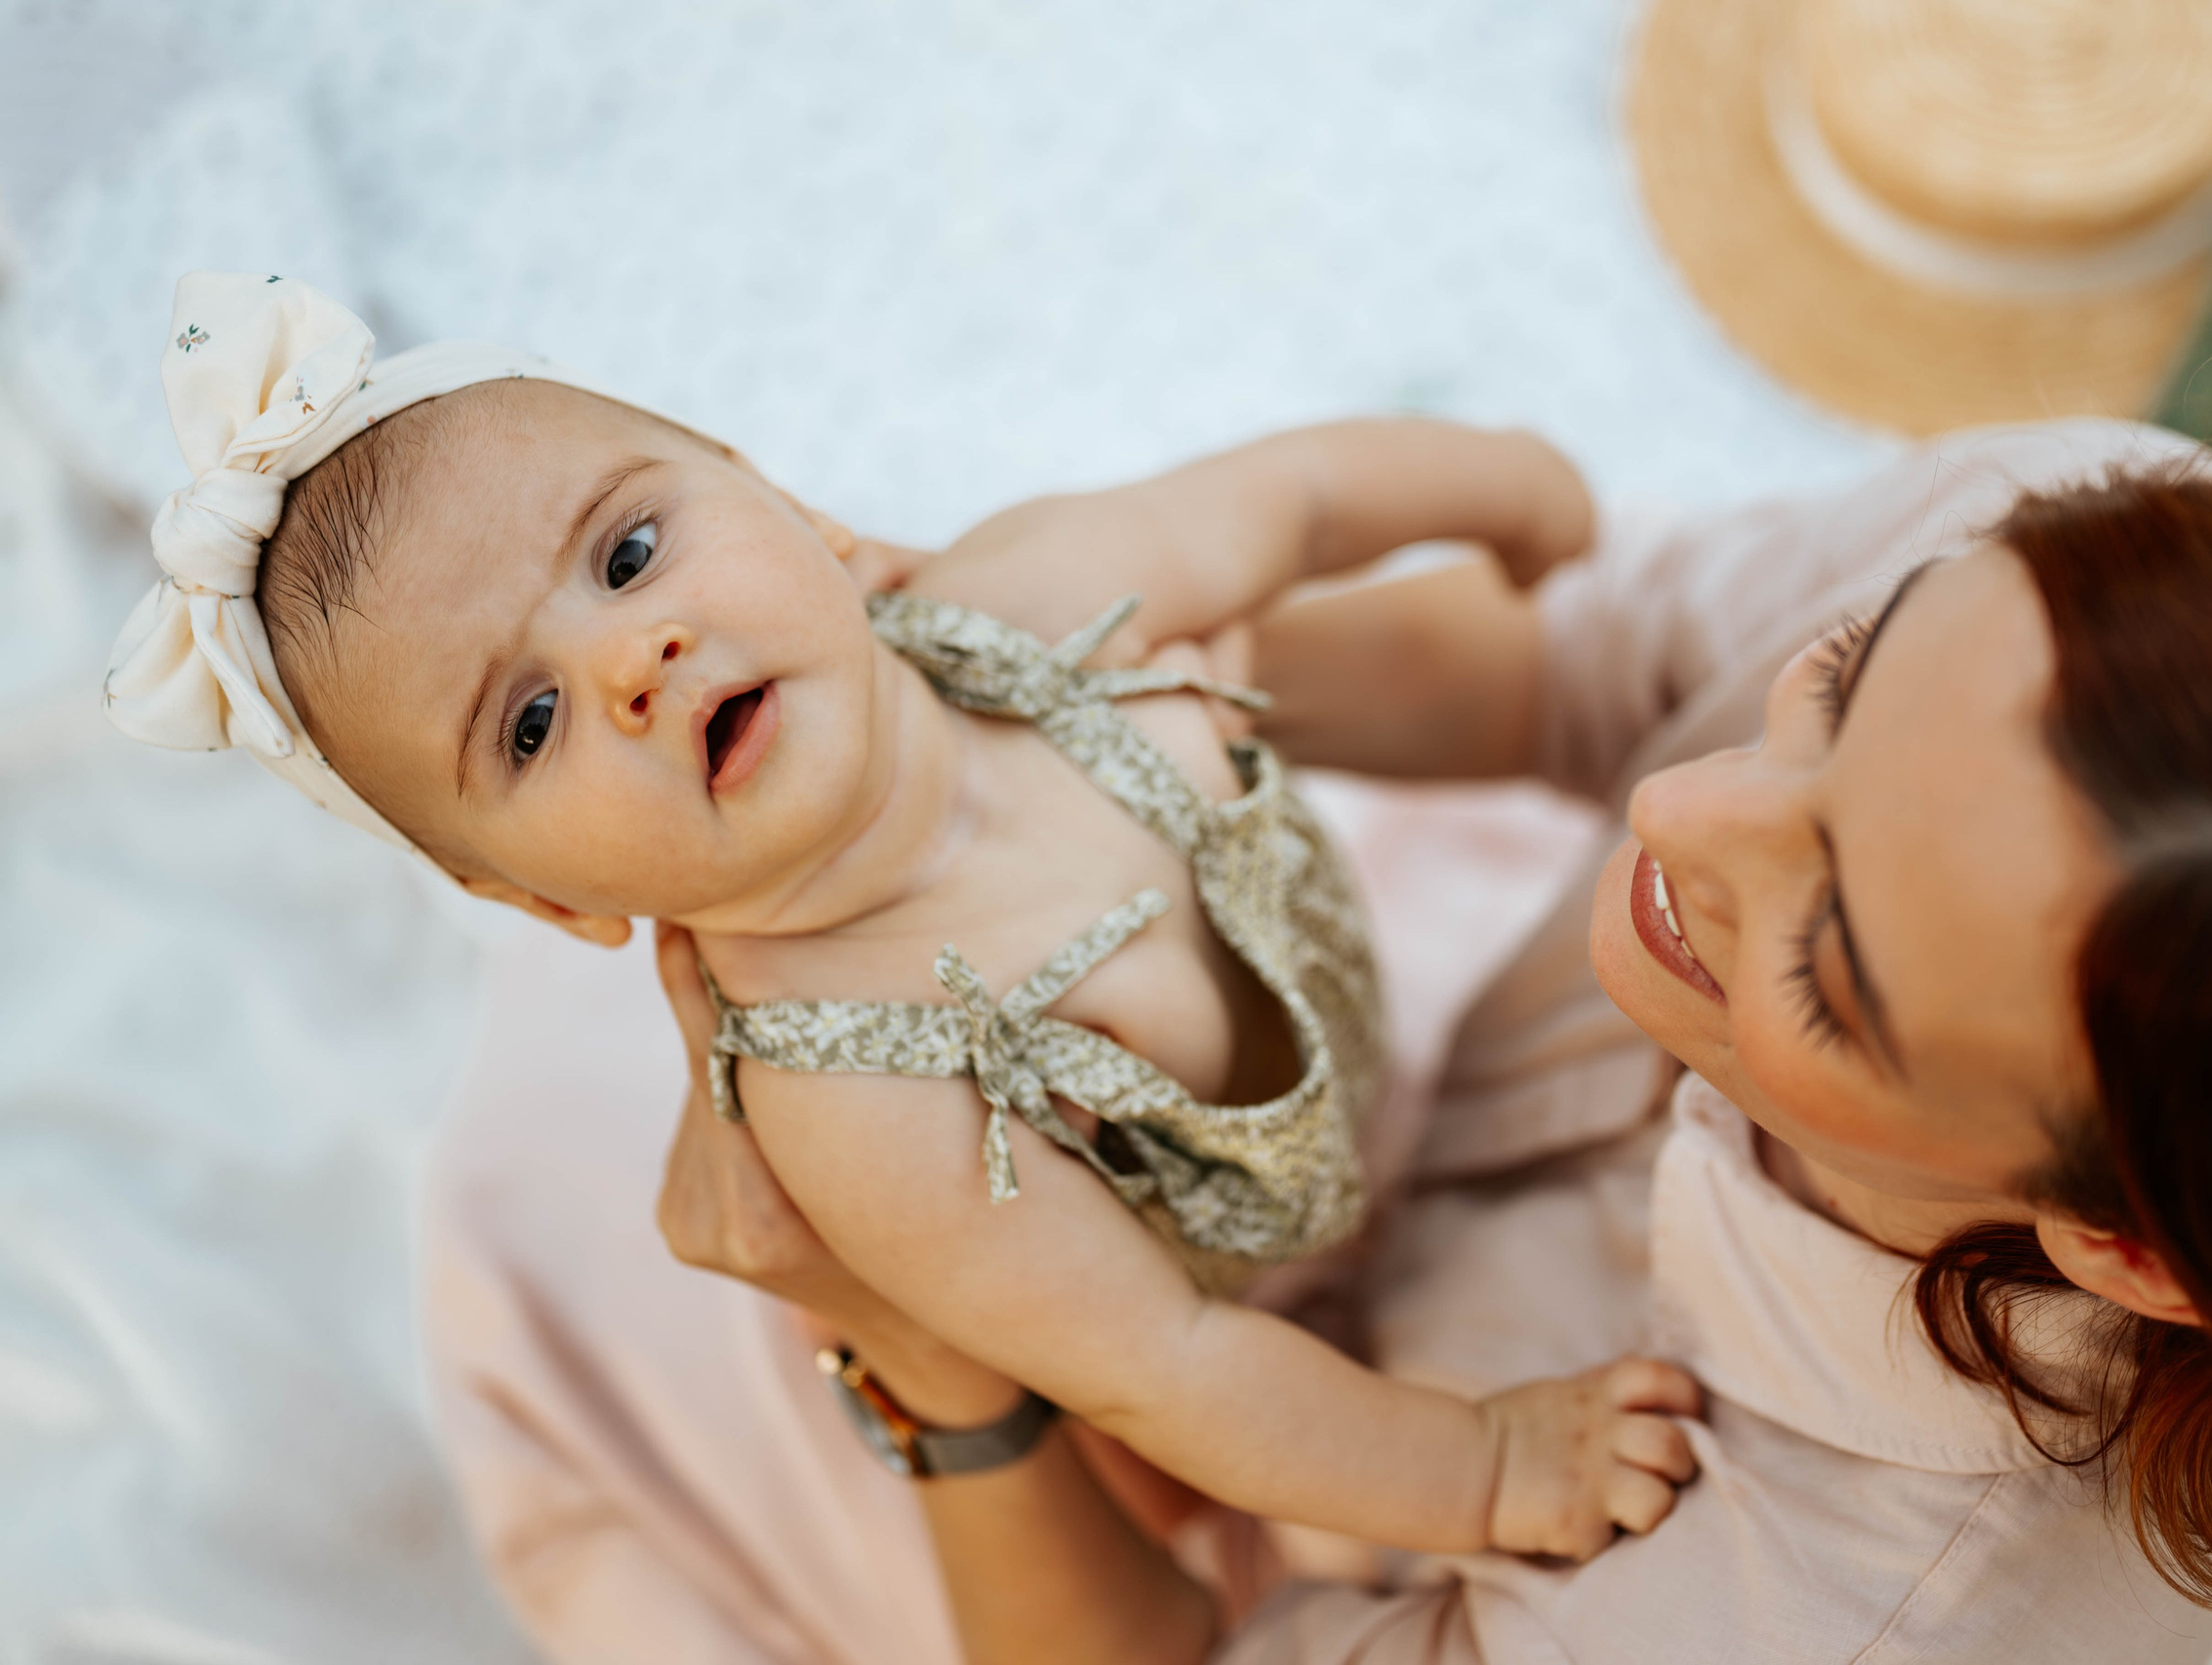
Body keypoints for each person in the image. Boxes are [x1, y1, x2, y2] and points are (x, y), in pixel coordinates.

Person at [645, 417, 2212, 1664]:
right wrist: (1044, 720)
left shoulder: (1799, 1614)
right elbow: (1578, 663)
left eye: (1832, 961)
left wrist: (924, 1351)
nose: (1678, 810)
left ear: (2125, 1247)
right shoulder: (2075, 557)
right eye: (1843, 680)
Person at [104, 271, 1703, 1567]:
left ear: (783, 494)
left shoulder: (1035, 597)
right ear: (547, 899)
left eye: (630, 551)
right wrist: (1491, 1464)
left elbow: (1297, 494)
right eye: (529, 723)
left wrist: (1508, 482)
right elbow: (1178, 1369)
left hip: (1356, 1032)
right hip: (1240, 1317)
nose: (629, 661)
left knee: (1371, 680)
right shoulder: (863, 1095)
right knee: (1191, 1457)